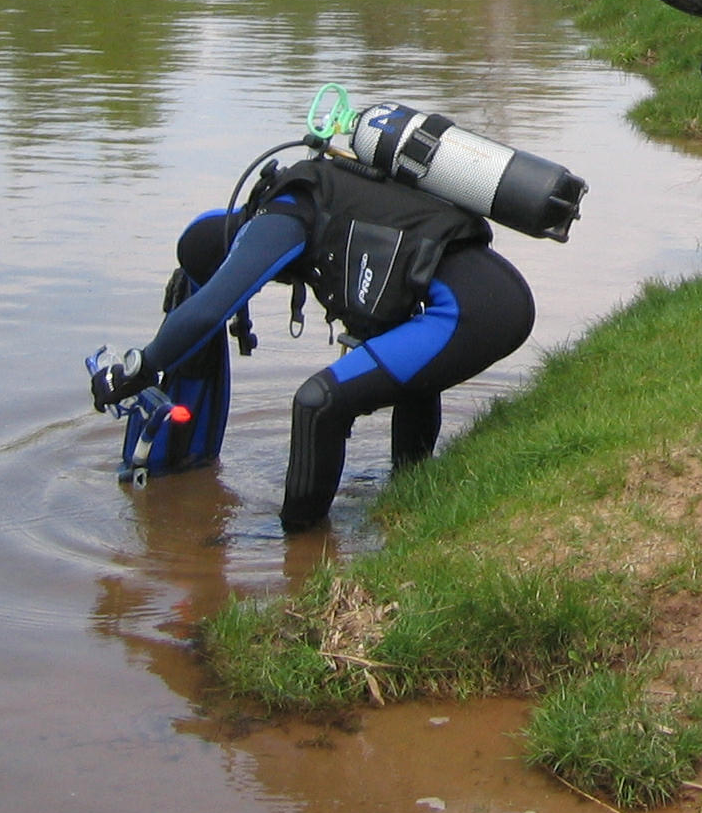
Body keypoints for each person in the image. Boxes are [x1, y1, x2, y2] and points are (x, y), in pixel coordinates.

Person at [89, 155, 535, 531]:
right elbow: (407, 366)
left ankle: (299, 543)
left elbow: (210, 309)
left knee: (317, 403)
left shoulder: (278, 219)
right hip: (493, 299)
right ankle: (411, 488)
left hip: (473, 313)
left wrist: (136, 369)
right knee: (399, 368)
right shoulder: (327, 198)